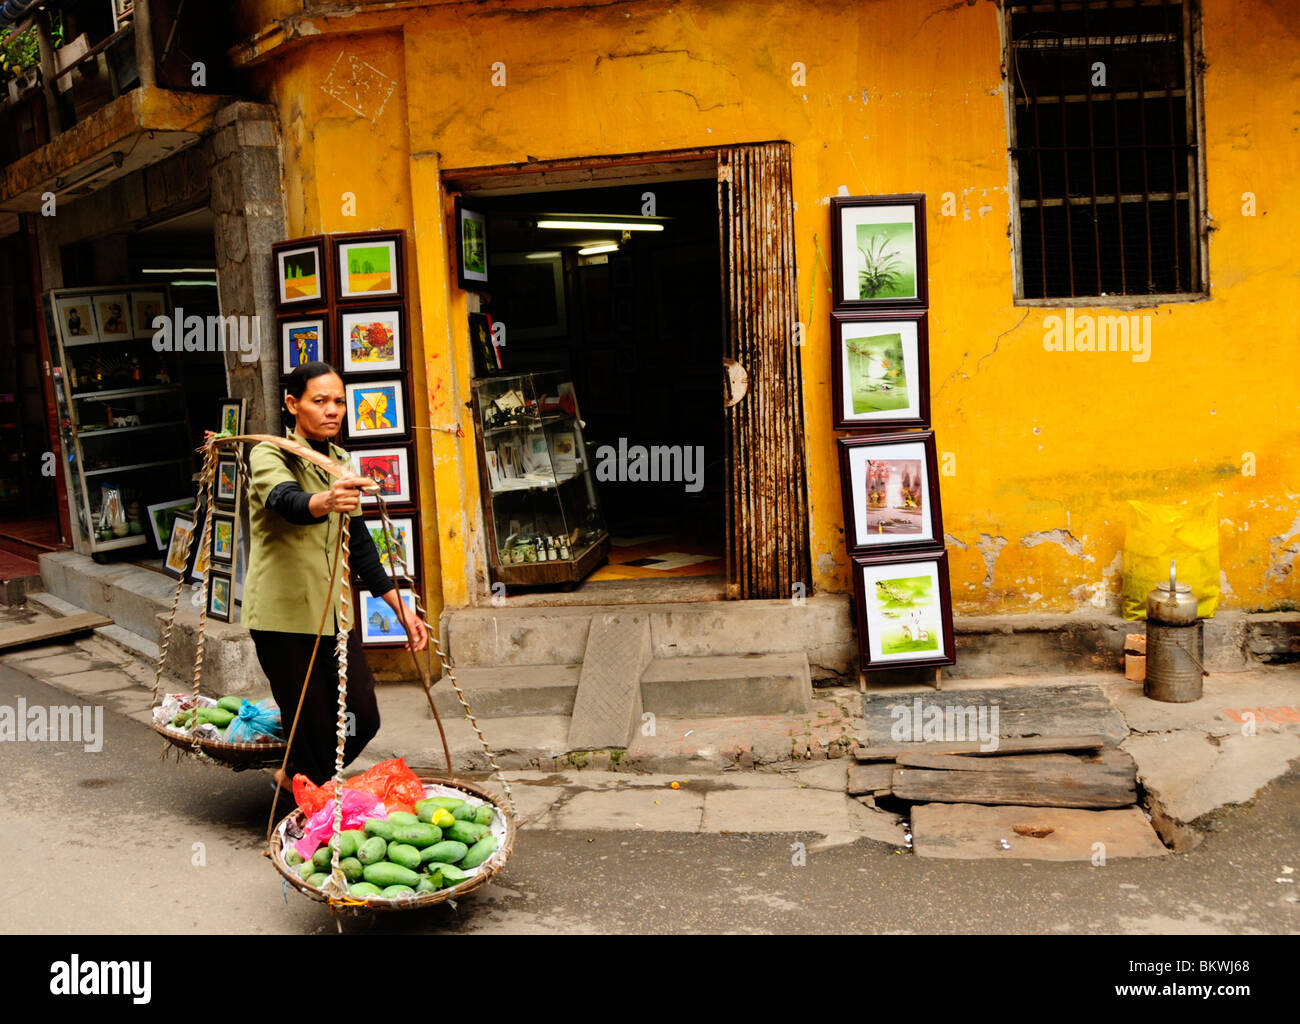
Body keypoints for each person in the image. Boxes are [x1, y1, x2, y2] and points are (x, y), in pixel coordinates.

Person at [241, 361, 428, 805]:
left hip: (333, 616)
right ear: (293, 404)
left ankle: (295, 784)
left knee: (362, 715)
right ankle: (304, 816)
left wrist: (399, 607)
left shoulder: (341, 462)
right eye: (319, 401)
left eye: (339, 402)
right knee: (311, 723)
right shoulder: (270, 453)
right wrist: (327, 499)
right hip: (283, 617)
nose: (332, 410)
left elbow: (360, 544)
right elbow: (286, 501)